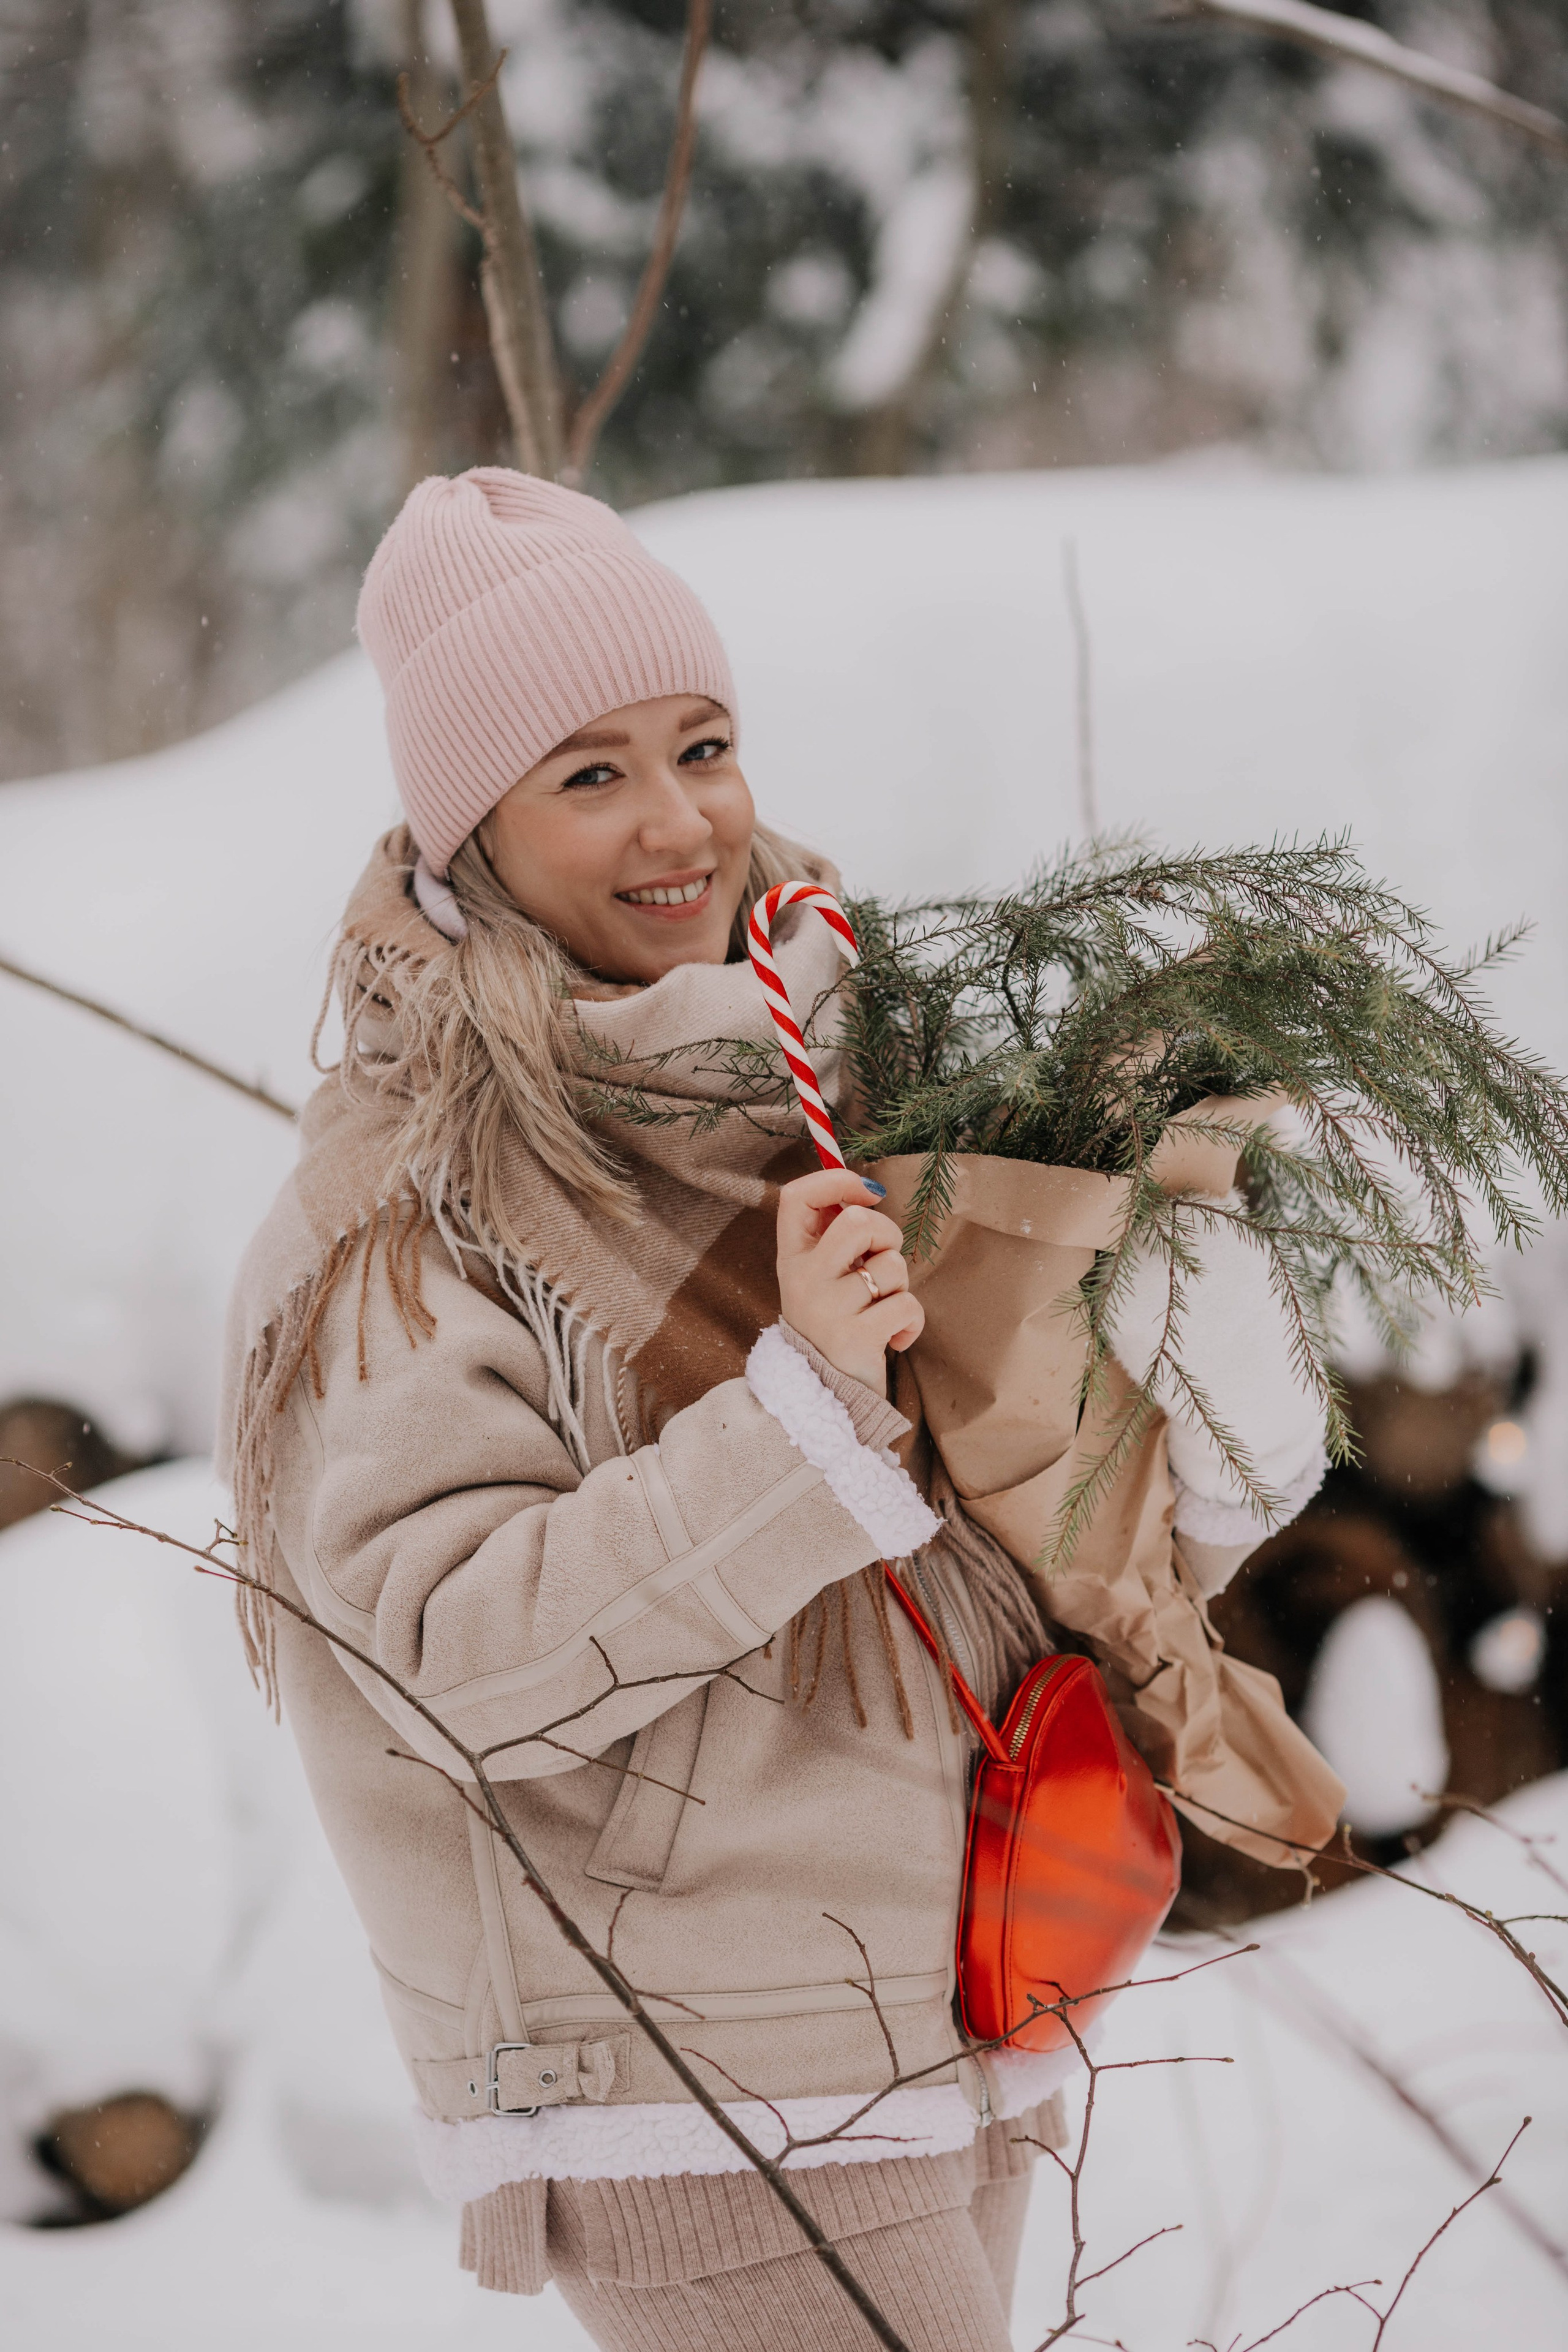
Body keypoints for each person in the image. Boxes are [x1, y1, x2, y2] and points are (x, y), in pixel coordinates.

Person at [221, 468, 1327, 2350]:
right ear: (466, 829)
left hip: (939, 1984)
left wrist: (1194, 1423)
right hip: (688, 2074)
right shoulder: (410, 1202)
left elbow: (981, 1511)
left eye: (703, 745)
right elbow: (445, 1666)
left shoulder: (824, 1073)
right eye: (588, 774)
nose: (681, 824)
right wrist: (800, 1408)